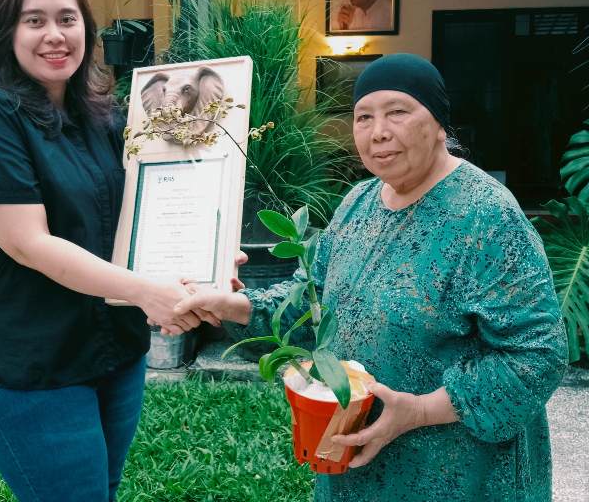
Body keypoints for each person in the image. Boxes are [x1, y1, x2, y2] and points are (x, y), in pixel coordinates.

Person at [178, 54, 568, 501]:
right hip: (354, 462)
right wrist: (236, 306)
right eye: (363, 117)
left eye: (398, 112)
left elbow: (539, 355)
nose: (378, 131)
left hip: (456, 474)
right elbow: (314, 299)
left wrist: (419, 411)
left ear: (439, 125)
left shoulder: (487, 217)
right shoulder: (358, 203)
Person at [0, 0, 197, 502]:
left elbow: (142, 217)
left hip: (112, 348)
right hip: (32, 359)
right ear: (7, 33)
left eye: (67, 18)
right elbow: (29, 244)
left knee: (101, 491)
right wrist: (148, 292)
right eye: (34, 20)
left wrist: (202, 262)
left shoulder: (102, 118)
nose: (55, 35)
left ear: (87, 28)